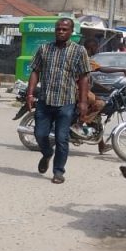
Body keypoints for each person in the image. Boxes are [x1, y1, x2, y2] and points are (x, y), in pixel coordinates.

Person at [25, 17, 90, 184]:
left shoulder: (79, 51)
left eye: (65, 29)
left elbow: (84, 77)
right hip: (44, 100)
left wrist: (83, 102)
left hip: (66, 102)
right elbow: (35, 71)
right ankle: (47, 153)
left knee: (62, 138)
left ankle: (58, 171)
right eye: (58, 29)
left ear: (71, 31)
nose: (61, 31)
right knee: (40, 134)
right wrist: (30, 93)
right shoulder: (44, 48)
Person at [78, 35, 126, 154]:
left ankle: (101, 145)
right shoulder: (85, 59)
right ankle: (78, 124)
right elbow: (102, 69)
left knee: (97, 115)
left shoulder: (86, 58)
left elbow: (93, 78)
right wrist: (123, 70)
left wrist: (108, 89)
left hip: (83, 90)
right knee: (100, 104)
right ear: (92, 47)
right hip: (78, 91)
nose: (97, 50)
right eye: (97, 47)